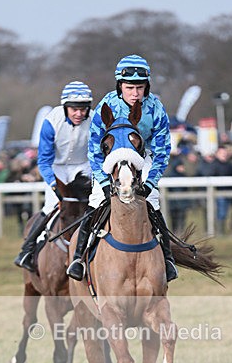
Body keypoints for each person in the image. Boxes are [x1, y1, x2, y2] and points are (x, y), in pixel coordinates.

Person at [66, 55, 177, 282]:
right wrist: (105, 183)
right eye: (130, 88)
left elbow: (163, 150)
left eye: (140, 87)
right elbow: (95, 150)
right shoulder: (104, 107)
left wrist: (150, 182)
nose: (135, 93)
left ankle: (167, 259)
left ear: (147, 86)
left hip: (141, 158)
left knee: (153, 202)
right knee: (96, 200)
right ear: (120, 86)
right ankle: (78, 258)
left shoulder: (155, 107)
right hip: (110, 161)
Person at [14, 81, 93, 271]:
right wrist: (52, 183)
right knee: (51, 206)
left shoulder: (95, 120)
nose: (79, 114)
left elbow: (97, 153)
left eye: (83, 109)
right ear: (65, 107)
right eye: (74, 109)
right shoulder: (51, 122)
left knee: (95, 205)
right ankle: (27, 250)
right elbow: (44, 161)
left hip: (84, 167)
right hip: (56, 168)